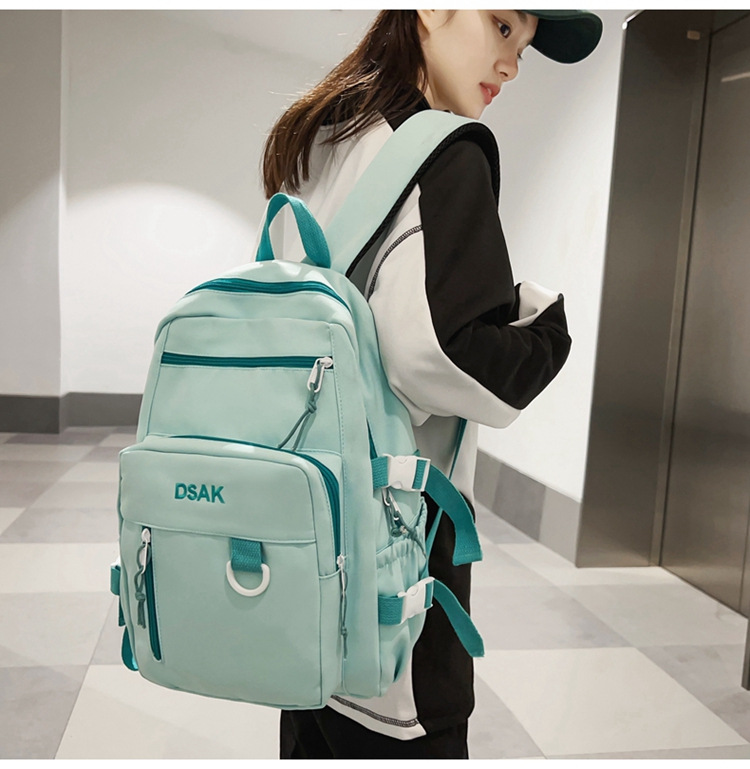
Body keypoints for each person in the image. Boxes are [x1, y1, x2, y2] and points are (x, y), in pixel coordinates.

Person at [261, 9, 603, 759]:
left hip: (301, 543)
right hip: (395, 558)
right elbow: (444, 357)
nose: (513, 64)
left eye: (525, 46)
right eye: (504, 27)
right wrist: (543, 327)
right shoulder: (447, 153)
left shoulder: (317, 136)